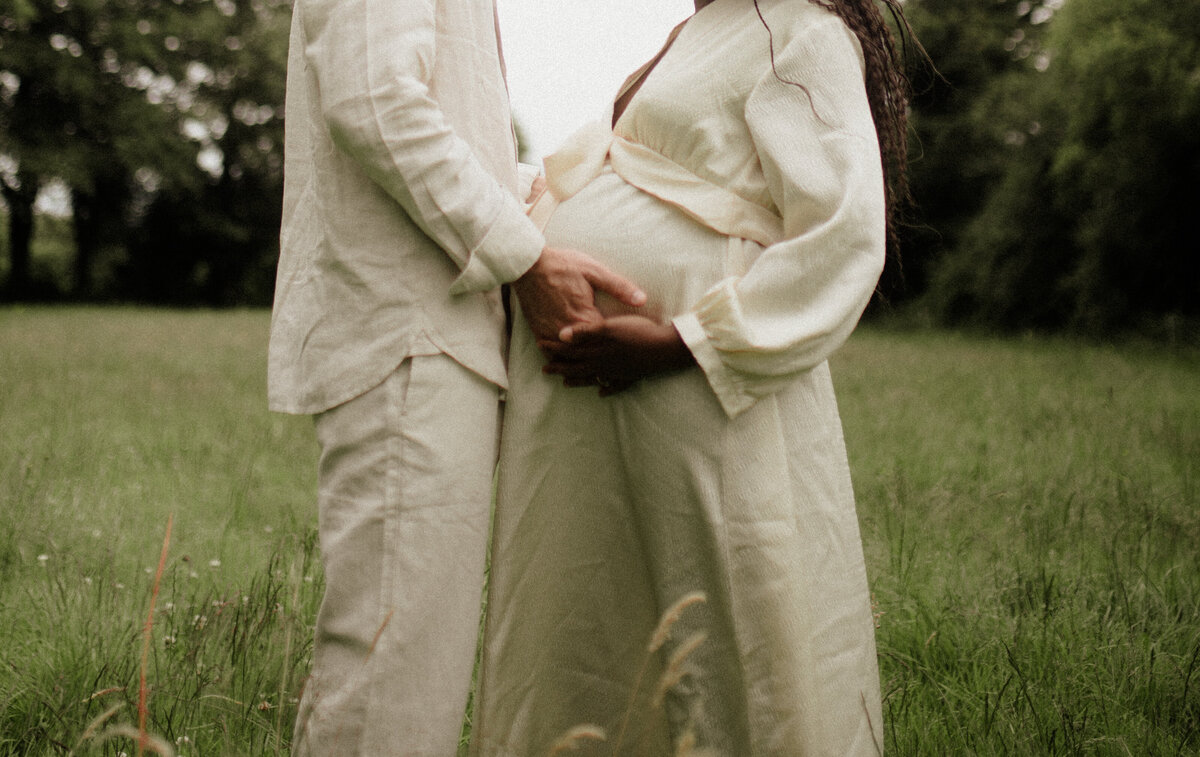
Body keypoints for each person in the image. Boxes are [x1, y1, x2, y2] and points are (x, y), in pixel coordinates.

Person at [471, 0, 913, 754]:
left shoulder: (801, 31)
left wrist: (687, 338)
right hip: (599, 402)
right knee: (588, 611)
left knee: (712, 617)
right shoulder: (697, 33)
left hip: (689, 382)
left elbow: (845, 231)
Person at [267, 1, 646, 754]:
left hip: (433, 336)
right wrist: (527, 258)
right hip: (409, 335)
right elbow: (373, 101)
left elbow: (428, 114)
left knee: (407, 671)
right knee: (392, 692)